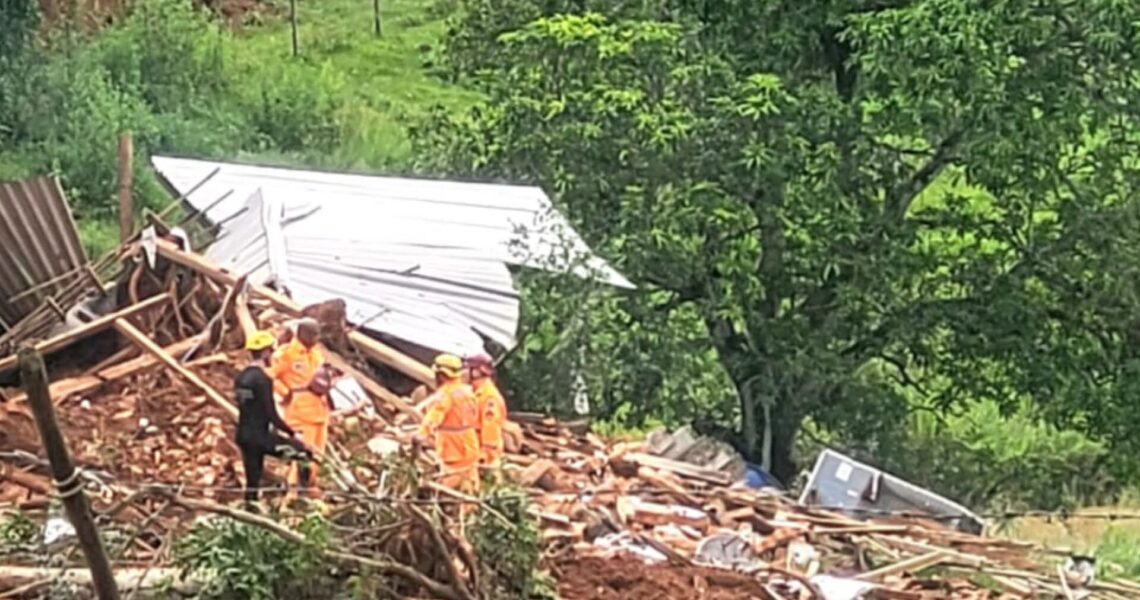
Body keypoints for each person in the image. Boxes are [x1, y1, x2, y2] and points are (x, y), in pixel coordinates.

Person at [234, 331, 313, 508]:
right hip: (260, 436)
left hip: (243, 435)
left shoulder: (241, 378)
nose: (272, 354)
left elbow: (246, 406)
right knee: (303, 454)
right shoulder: (262, 379)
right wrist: (293, 433)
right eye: (271, 350)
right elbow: (271, 413)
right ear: (264, 352)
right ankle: (303, 499)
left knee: (252, 480)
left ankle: (249, 514)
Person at [271, 318, 334, 496]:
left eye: (317, 334)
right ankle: (292, 493)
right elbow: (270, 376)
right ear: (301, 333)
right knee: (300, 452)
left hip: (320, 410)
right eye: (312, 334)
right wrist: (285, 392)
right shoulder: (286, 354)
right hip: (300, 412)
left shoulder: (316, 354)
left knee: (317, 453)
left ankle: (311, 486)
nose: (316, 338)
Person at [415, 354, 481, 495]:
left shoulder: (445, 395)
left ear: (441, 375)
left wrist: (421, 435)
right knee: (470, 482)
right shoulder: (467, 391)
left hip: (453, 447)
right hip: (470, 442)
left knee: (450, 484)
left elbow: (434, 416)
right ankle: (471, 509)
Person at [465, 353, 507, 474]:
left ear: (476, 372)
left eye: (468, 369)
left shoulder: (489, 397)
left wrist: (484, 458)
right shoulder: (477, 394)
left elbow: (491, 431)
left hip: (484, 459)